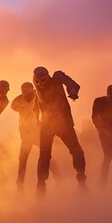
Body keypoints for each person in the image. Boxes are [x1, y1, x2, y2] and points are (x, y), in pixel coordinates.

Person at [33, 66, 86, 195]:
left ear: (48, 76)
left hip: (63, 124)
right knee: (44, 155)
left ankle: (81, 179)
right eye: (39, 81)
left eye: (44, 80)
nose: (41, 83)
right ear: (36, 79)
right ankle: (41, 186)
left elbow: (72, 84)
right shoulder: (37, 89)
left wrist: (73, 90)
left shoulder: (57, 78)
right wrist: (36, 121)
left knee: (77, 151)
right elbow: (36, 107)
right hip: (47, 125)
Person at [11, 82, 59, 191]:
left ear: (31, 89)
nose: (24, 91)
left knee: (45, 155)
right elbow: (13, 106)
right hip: (26, 135)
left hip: (37, 133)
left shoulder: (38, 97)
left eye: (26, 89)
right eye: (22, 89)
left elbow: (47, 107)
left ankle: (58, 177)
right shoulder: (20, 100)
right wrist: (24, 96)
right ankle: (20, 184)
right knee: (22, 159)